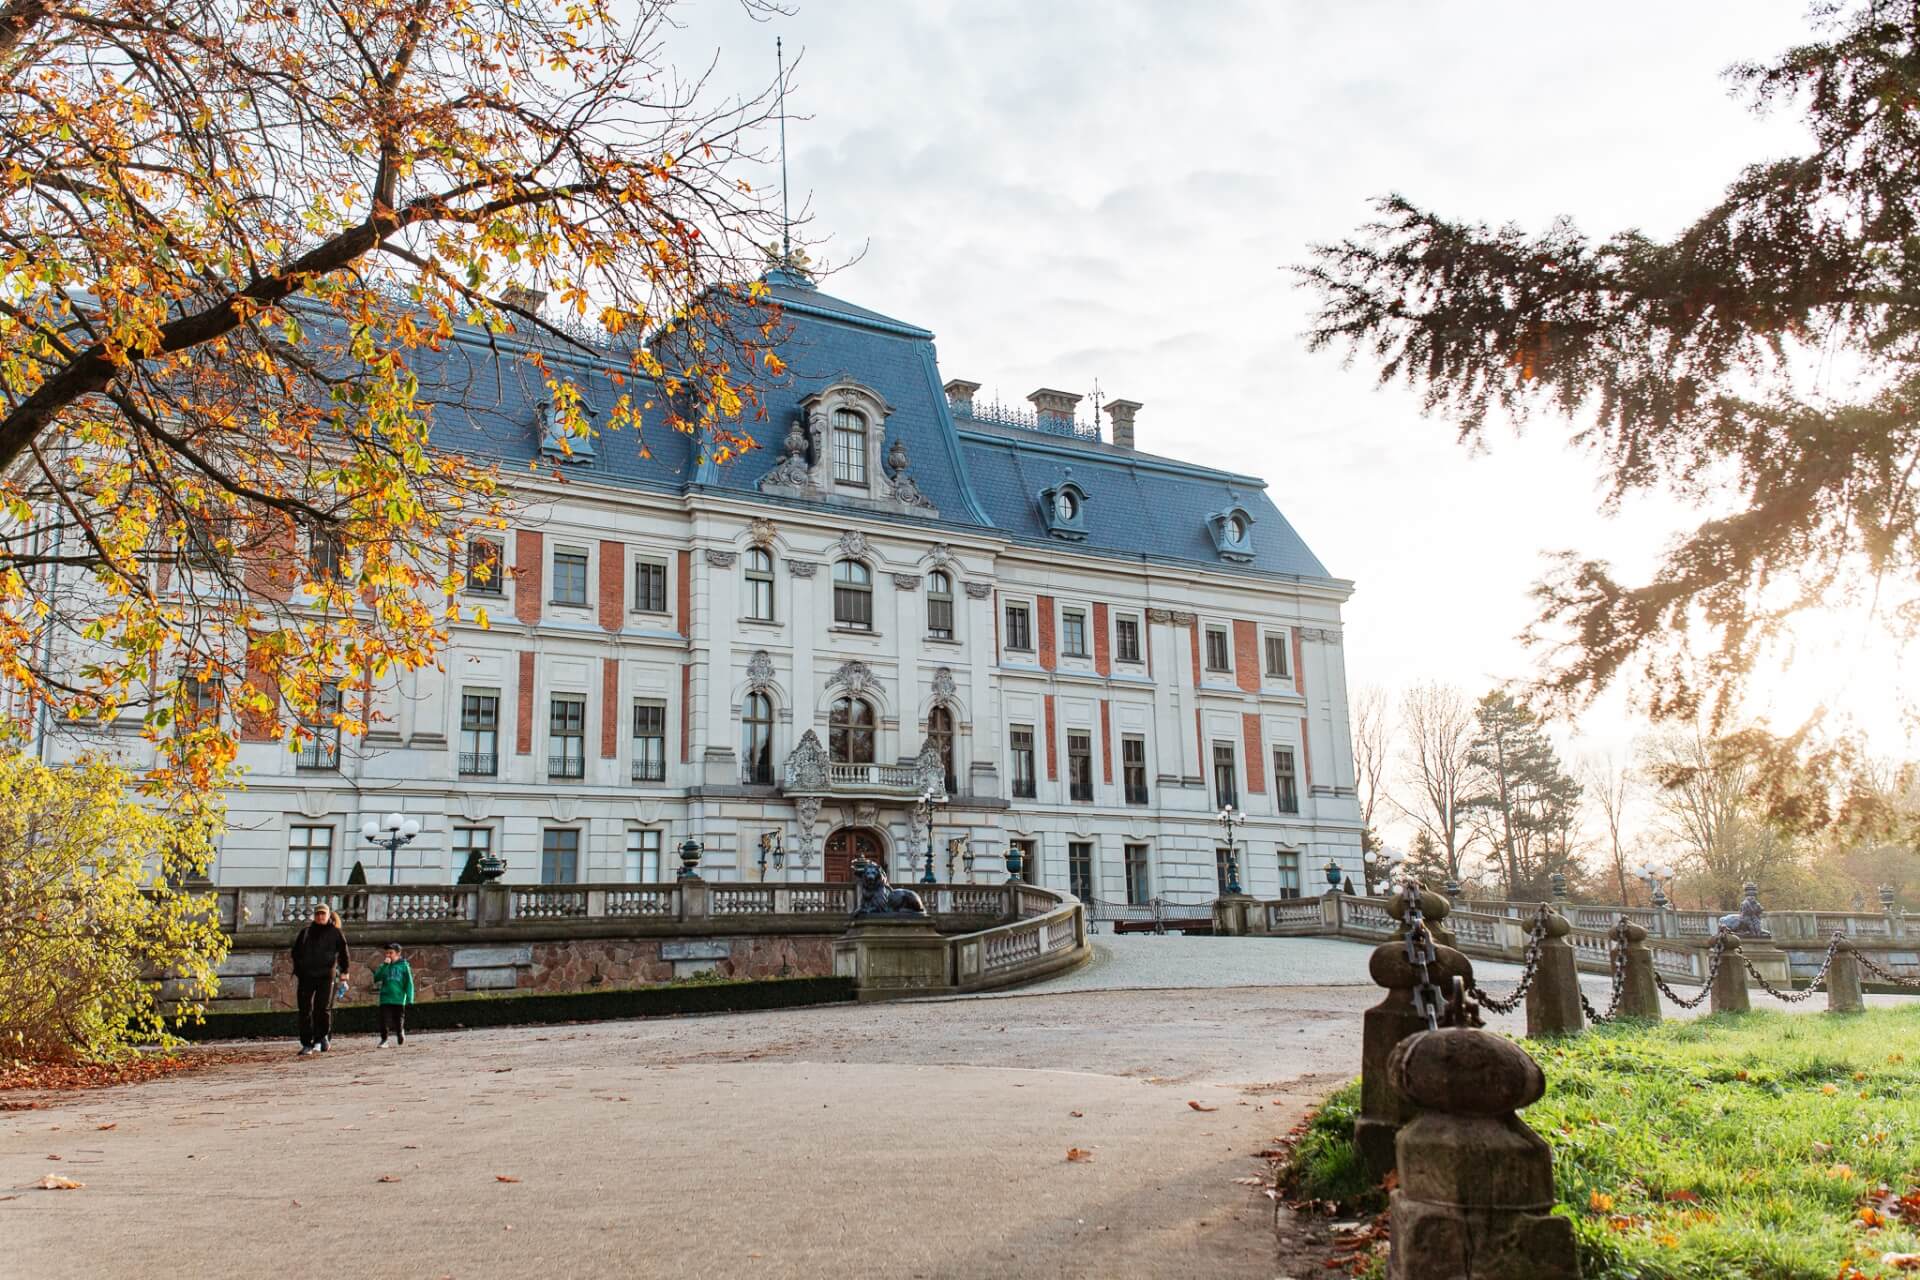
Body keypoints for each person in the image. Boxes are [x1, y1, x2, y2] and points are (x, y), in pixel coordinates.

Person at [289, 903, 350, 1056]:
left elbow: (344, 953)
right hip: (306, 976)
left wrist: (345, 972)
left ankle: (321, 1037)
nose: (320, 917)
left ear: (329, 915)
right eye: (318, 914)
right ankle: (306, 1043)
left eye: (323, 914)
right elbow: (295, 952)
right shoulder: (306, 932)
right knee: (305, 1010)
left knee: (322, 1009)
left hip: (326, 976)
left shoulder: (335, 933)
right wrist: (299, 968)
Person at [371, 942, 415, 1047]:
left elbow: (409, 983)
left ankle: (400, 1033)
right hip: (385, 998)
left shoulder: (404, 966)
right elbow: (376, 978)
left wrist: (410, 998)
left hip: (399, 998)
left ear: (398, 953)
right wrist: (385, 965)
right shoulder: (383, 966)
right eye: (386, 953)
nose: (388, 955)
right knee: (384, 1020)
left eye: (391, 953)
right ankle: (384, 1040)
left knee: (398, 1020)